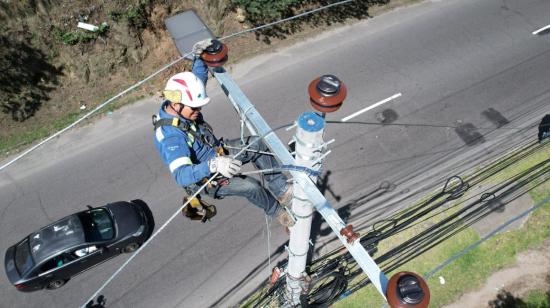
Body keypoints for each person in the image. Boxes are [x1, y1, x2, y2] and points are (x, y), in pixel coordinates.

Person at [153, 39, 293, 226]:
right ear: (176, 104)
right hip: (206, 177)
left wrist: (199, 56)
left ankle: (281, 189)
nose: (198, 111)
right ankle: (278, 212)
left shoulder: (184, 103)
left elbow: (198, 77)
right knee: (251, 186)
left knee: (257, 144)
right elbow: (181, 175)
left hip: (218, 153)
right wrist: (214, 166)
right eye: (194, 108)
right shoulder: (171, 136)